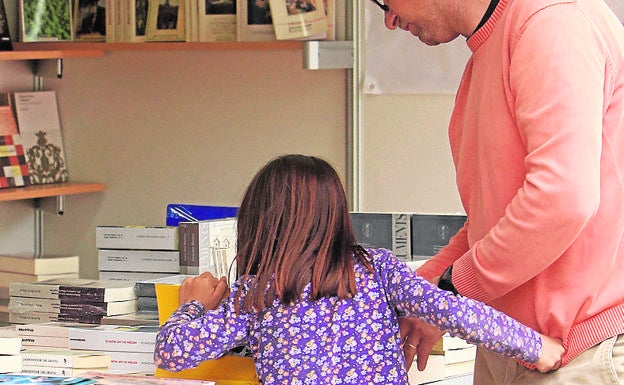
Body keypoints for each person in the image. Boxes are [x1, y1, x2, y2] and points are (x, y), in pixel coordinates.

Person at [368, 0, 624, 383]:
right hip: (514, 344)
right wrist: (423, 292)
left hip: (579, 349)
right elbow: (492, 221)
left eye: (386, 1)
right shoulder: (488, 51)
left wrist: (452, 293)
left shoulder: (552, 24)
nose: (388, 20)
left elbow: (561, 203)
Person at [154, 154, 563, 385]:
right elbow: (454, 312)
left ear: (259, 222)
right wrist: (535, 347)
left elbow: (172, 353)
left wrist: (192, 306)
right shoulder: (378, 268)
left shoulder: (255, 293)